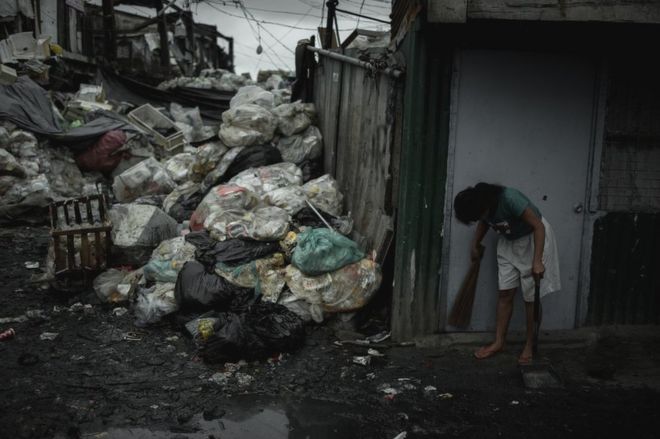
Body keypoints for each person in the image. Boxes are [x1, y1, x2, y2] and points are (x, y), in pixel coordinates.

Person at [453, 183, 561, 364]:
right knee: (505, 293)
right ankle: (499, 342)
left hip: (533, 240)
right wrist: (475, 243)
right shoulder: (482, 205)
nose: (480, 218)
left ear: (484, 206)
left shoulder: (510, 198)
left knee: (530, 299)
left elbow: (538, 227)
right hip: (509, 242)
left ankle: (529, 344)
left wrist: (537, 261)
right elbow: (484, 221)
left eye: (479, 214)